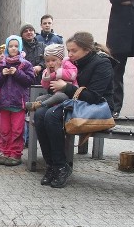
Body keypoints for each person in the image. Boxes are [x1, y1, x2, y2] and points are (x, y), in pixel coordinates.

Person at [34, 32, 116, 188]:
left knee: (51, 116)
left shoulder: (102, 63)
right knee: (39, 115)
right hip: (76, 102)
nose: (69, 55)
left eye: (74, 51)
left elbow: (94, 96)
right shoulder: (75, 63)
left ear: (87, 50)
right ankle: (51, 165)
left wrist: (65, 86)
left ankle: (61, 166)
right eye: (68, 50)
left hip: (97, 107)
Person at [0, 35, 34, 166]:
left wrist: (17, 73)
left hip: (18, 103)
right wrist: (2, 74)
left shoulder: (25, 64)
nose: (13, 48)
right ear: (7, 48)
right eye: (11, 46)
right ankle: (5, 152)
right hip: (4, 103)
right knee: (4, 130)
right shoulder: (1, 63)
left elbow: (29, 81)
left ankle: (15, 154)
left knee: (17, 130)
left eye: (16, 46)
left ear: (20, 47)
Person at [28, 43, 78, 109]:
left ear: (61, 59)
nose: (50, 63)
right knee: (39, 98)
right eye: (47, 61)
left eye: (53, 60)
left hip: (68, 94)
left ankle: (42, 105)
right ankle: (37, 104)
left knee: (59, 96)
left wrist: (57, 72)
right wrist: (47, 76)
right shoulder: (48, 70)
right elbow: (45, 86)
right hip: (54, 94)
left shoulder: (66, 63)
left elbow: (72, 74)